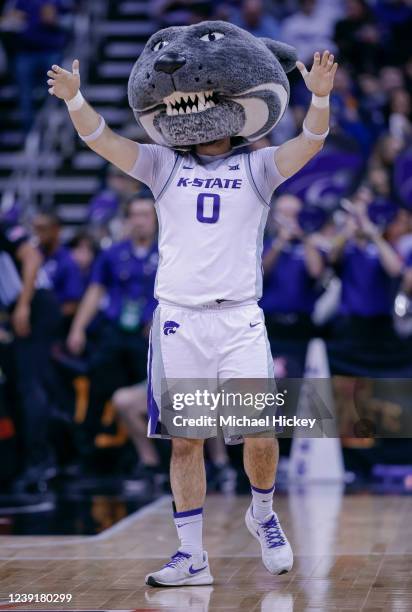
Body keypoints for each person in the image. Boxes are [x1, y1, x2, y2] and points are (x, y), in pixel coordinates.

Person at [47, 26, 337, 586]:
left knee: (260, 432)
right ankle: (191, 556)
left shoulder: (259, 167)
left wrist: (319, 96)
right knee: (187, 441)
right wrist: (75, 99)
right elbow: (102, 140)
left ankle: (262, 514)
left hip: (239, 317)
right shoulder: (161, 165)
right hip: (180, 319)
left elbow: (312, 142)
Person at [67, 195, 158, 447]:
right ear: (127, 219)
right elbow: (96, 290)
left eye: (145, 215)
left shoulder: (168, 251)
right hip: (116, 333)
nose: (139, 221)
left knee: (150, 396)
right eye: (134, 215)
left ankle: (151, 458)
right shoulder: (113, 253)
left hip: (149, 336)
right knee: (98, 387)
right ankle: (87, 451)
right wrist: (78, 328)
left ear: (156, 219)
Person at [0, 218, 61, 489]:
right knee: (20, 385)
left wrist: (23, 306)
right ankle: (29, 459)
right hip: (14, 309)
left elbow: (33, 258)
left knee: (29, 385)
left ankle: (40, 461)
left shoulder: (4, 225)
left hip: (35, 305)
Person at [261, 194, 326, 375]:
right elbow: (260, 273)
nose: (289, 219)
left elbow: (316, 272)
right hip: (268, 325)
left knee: (296, 383)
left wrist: (305, 237)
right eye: (284, 214)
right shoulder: (263, 244)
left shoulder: (311, 245)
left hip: (300, 327)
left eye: (294, 214)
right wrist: (281, 241)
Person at [33, 210, 83, 322]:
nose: (37, 234)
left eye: (42, 228)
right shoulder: (33, 257)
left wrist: (46, 319)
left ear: (56, 229)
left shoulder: (68, 261)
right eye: (35, 228)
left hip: (54, 326)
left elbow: (72, 304)